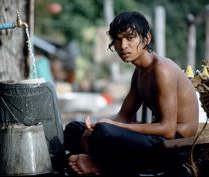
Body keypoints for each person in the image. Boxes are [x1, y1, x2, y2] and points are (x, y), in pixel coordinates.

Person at [64, 11, 199, 176]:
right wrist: (94, 126)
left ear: (147, 38)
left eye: (130, 38)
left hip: (174, 148)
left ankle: (97, 164)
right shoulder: (140, 72)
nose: (123, 46)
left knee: (104, 132)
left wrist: (108, 127)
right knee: (74, 128)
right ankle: (92, 158)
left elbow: (168, 129)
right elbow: (123, 116)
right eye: (118, 39)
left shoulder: (162, 70)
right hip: (155, 141)